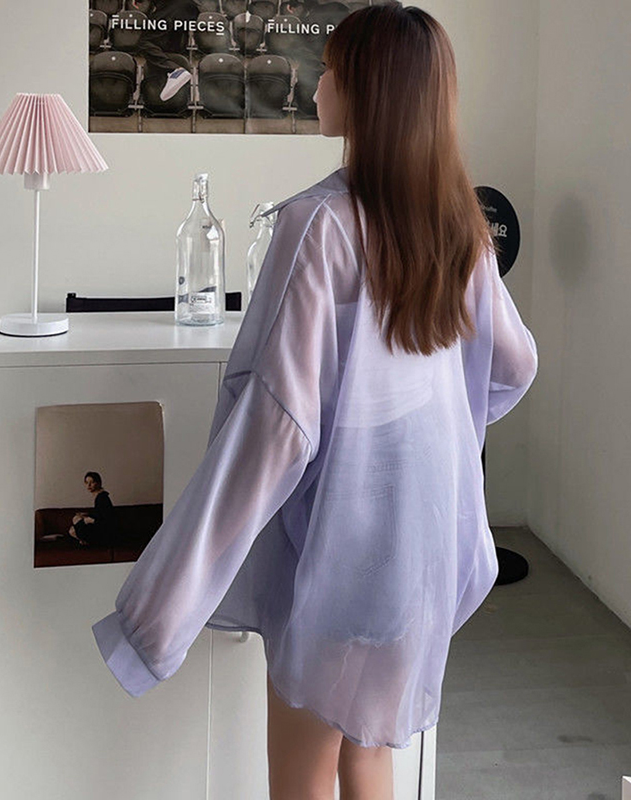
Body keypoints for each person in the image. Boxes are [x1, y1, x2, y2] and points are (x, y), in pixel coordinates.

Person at [92, 3, 538, 798]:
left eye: (330, 71)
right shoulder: (459, 228)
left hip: (338, 550)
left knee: (300, 778)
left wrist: (161, 607)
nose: (317, 84)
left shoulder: (318, 225)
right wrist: (431, 437)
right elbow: (513, 366)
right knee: (370, 758)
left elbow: (276, 428)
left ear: (366, 92)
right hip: (421, 549)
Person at [69, 471, 115, 548]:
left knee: (72, 530)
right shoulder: (99, 496)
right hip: (98, 525)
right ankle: (84, 540)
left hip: (103, 531)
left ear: (98, 483)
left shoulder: (102, 498)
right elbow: (99, 513)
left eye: (92, 482)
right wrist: (87, 515)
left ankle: (88, 541)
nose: (89, 485)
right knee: (76, 518)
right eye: (87, 483)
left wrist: (89, 520)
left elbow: (107, 521)